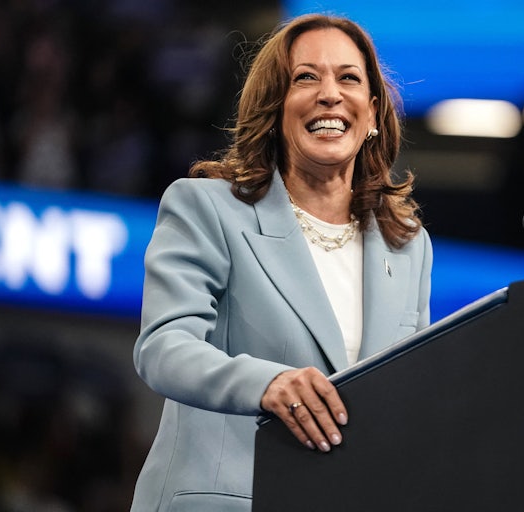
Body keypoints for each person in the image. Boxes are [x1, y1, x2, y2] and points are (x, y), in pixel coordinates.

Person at [130, 13, 432, 511]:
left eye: (349, 78)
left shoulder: (407, 245)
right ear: (275, 106)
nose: (330, 94)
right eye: (306, 77)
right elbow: (164, 346)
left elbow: (412, 395)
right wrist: (266, 382)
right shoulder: (207, 208)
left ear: (373, 112)